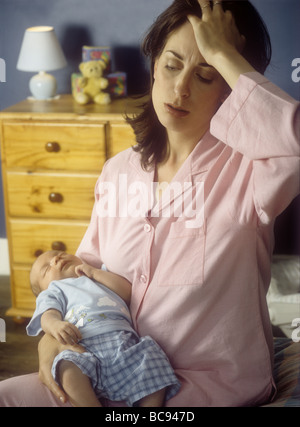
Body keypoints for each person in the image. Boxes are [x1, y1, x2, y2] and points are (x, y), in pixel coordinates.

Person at [0, 0, 299, 407]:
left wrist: (226, 53)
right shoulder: (118, 171)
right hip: (106, 370)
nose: (181, 89)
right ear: (155, 65)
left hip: (208, 387)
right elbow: (82, 271)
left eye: (207, 74)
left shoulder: (252, 171)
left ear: (230, 87)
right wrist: (50, 337)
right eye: (173, 64)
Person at [26, 250, 180, 407]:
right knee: (67, 368)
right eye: (46, 269)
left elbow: (127, 293)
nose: (56, 259)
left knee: (151, 357)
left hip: (124, 343)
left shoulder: (99, 275)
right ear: (43, 289)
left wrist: (94, 272)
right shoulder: (54, 291)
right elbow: (48, 315)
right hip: (82, 346)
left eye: (59, 253)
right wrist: (55, 325)